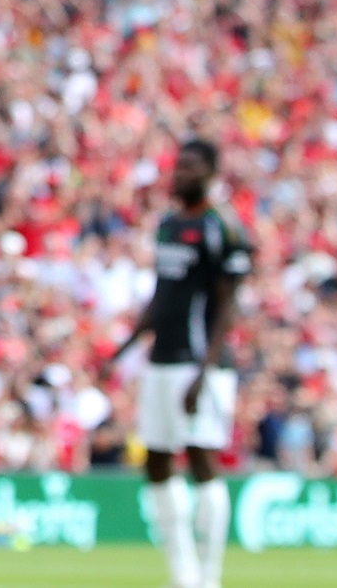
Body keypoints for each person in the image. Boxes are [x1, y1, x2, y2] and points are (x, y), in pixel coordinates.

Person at [107, 138, 250, 588]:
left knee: (202, 457)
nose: (180, 174)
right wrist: (125, 348)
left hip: (200, 362)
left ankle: (210, 576)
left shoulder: (222, 226)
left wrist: (205, 371)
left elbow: (228, 305)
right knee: (156, 459)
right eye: (178, 166)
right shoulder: (168, 225)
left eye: (190, 167)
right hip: (162, 359)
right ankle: (183, 573)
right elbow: (163, 296)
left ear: (211, 173)